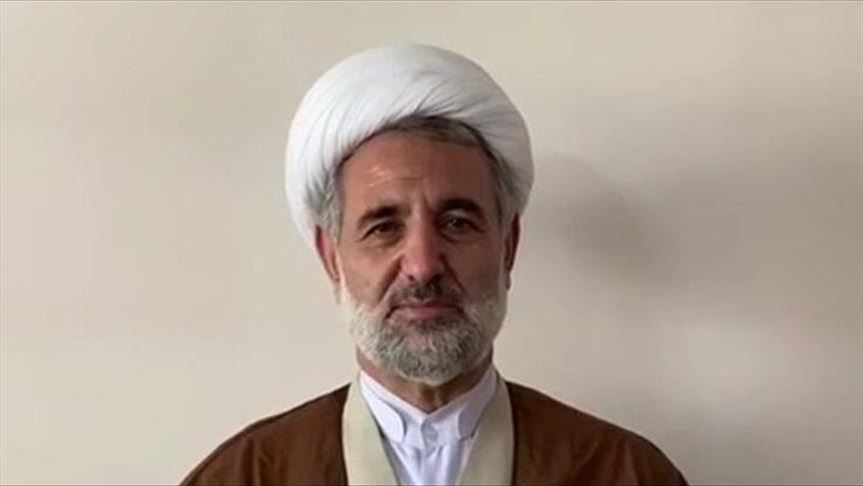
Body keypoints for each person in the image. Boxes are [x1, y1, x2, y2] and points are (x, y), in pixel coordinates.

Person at [181, 44, 687, 486]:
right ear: (332, 257)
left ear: (508, 246)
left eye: (457, 223)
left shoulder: (624, 473)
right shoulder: (244, 476)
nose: (422, 266)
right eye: (384, 227)